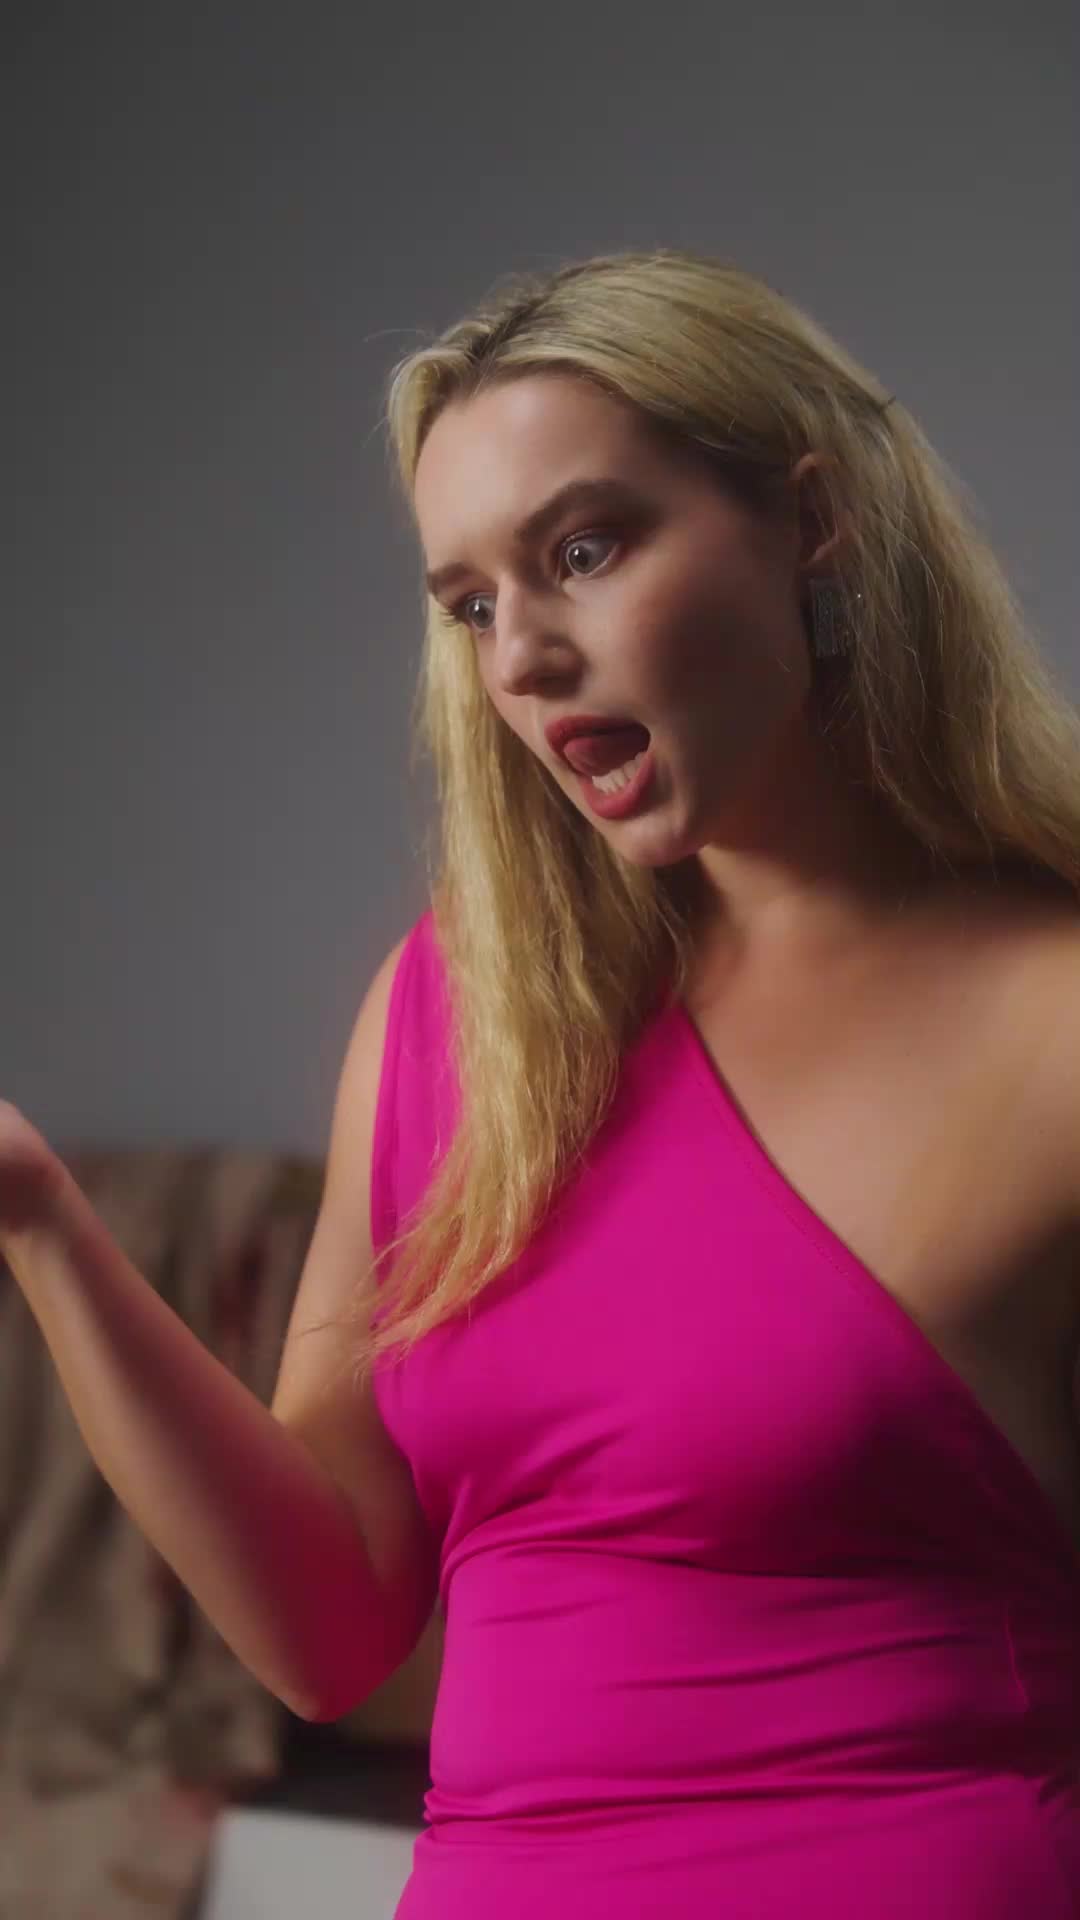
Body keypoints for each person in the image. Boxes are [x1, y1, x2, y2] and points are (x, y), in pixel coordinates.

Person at [2, 247, 1079, 1917]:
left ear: (811, 522)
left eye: (585, 551)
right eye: (473, 602)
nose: (521, 657)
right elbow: (327, 1628)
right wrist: (44, 1226)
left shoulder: (1054, 1014)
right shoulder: (460, 1012)